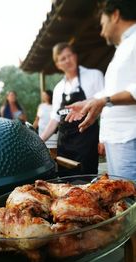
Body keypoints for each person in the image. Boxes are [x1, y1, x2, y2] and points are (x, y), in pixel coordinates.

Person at [65, 0, 136, 181]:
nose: (101, 30)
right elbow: (111, 90)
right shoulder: (123, 48)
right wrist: (89, 102)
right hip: (118, 139)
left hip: (129, 137)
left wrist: (104, 101)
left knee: (130, 199)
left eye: (102, 23)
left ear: (115, 15)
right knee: (121, 196)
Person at [40, 42, 104, 176]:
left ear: (75, 56)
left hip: (86, 142)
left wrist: (103, 139)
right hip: (64, 144)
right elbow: (55, 119)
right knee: (64, 183)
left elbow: (105, 109)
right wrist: (39, 141)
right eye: (63, 58)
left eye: (69, 55)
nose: (68, 60)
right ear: (58, 64)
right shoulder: (58, 88)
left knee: (86, 183)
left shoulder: (94, 76)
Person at [33, 90, 58, 154]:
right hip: (42, 132)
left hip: (52, 132)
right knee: (43, 151)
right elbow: (37, 119)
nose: (43, 97)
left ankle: (54, 164)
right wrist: (32, 129)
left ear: (49, 96)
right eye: (42, 95)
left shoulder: (55, 106)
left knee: (53, 152)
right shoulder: (41, 106)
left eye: (45, 95)